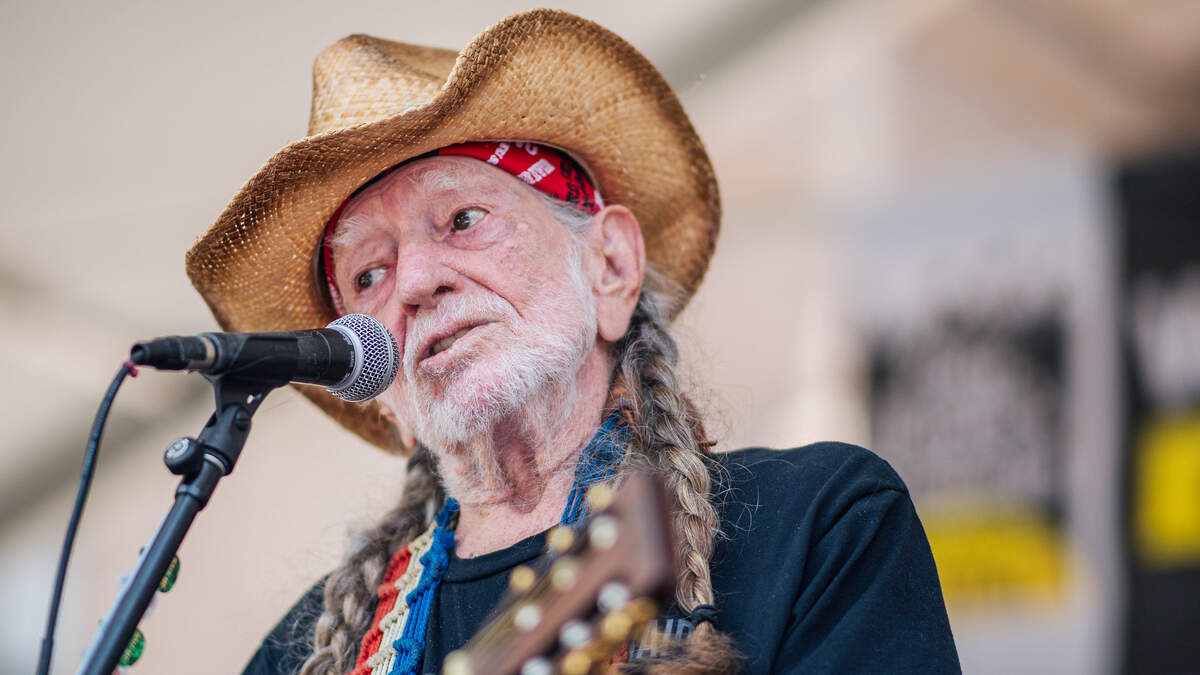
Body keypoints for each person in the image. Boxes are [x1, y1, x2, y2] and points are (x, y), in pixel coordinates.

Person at [187, 9, 960, 674]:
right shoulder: (303, 652)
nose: (416, 281)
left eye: (462, 220)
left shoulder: (819, 522)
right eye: (368, 275)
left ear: (611, 265)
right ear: (379, 394)